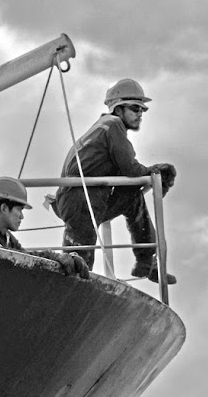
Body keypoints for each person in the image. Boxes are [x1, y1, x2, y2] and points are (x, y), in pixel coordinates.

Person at [53, 78, 178, 284]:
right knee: (77, 270)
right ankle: (144, 261)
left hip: (83, 199)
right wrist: (155, 174)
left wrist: (150, 175)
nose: (140, 114)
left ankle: (147, 261)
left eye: (142, 110)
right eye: (135, 108)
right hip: (81, 201)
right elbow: (130, 168)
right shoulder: (112, 125)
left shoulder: (103, 127)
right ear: (118, 109)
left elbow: (125, 171)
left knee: (132, 195)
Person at [0, 176, 90, 279]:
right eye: (19, 210)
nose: (22, 217)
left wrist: (59, 257)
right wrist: (56, 257)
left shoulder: (4, 236)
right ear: (4, 208)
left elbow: (25, 257)